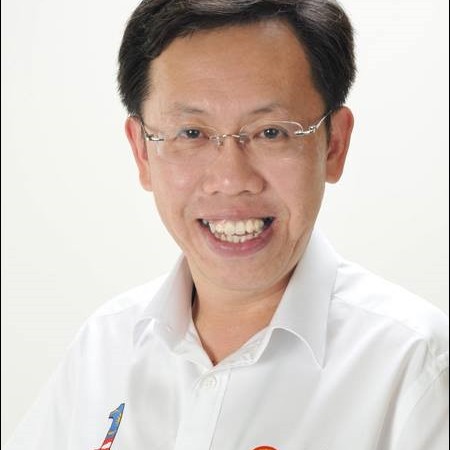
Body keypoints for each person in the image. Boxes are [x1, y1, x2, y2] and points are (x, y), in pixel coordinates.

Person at [5, 0, 448, 449]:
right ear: (142, 151)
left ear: (334, 144)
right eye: (191, 133)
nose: (231, 180)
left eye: (271, 132)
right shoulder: (104, 346)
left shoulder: (417, 363)